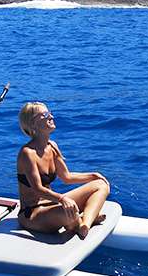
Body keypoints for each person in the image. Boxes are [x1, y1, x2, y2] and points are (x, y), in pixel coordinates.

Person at [16, 101, 110, 239]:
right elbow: (37, 189)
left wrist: (93, 175)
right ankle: (83, 219)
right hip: (33, 213)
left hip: (52, 204)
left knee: (101, 185)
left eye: (50, 113)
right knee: (69, 211)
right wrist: (62, 199)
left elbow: (67, 177)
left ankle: (84, 224)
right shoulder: (27, 153)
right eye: (45, 114)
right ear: (33, 123)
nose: (51, 116)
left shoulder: (52, 146)